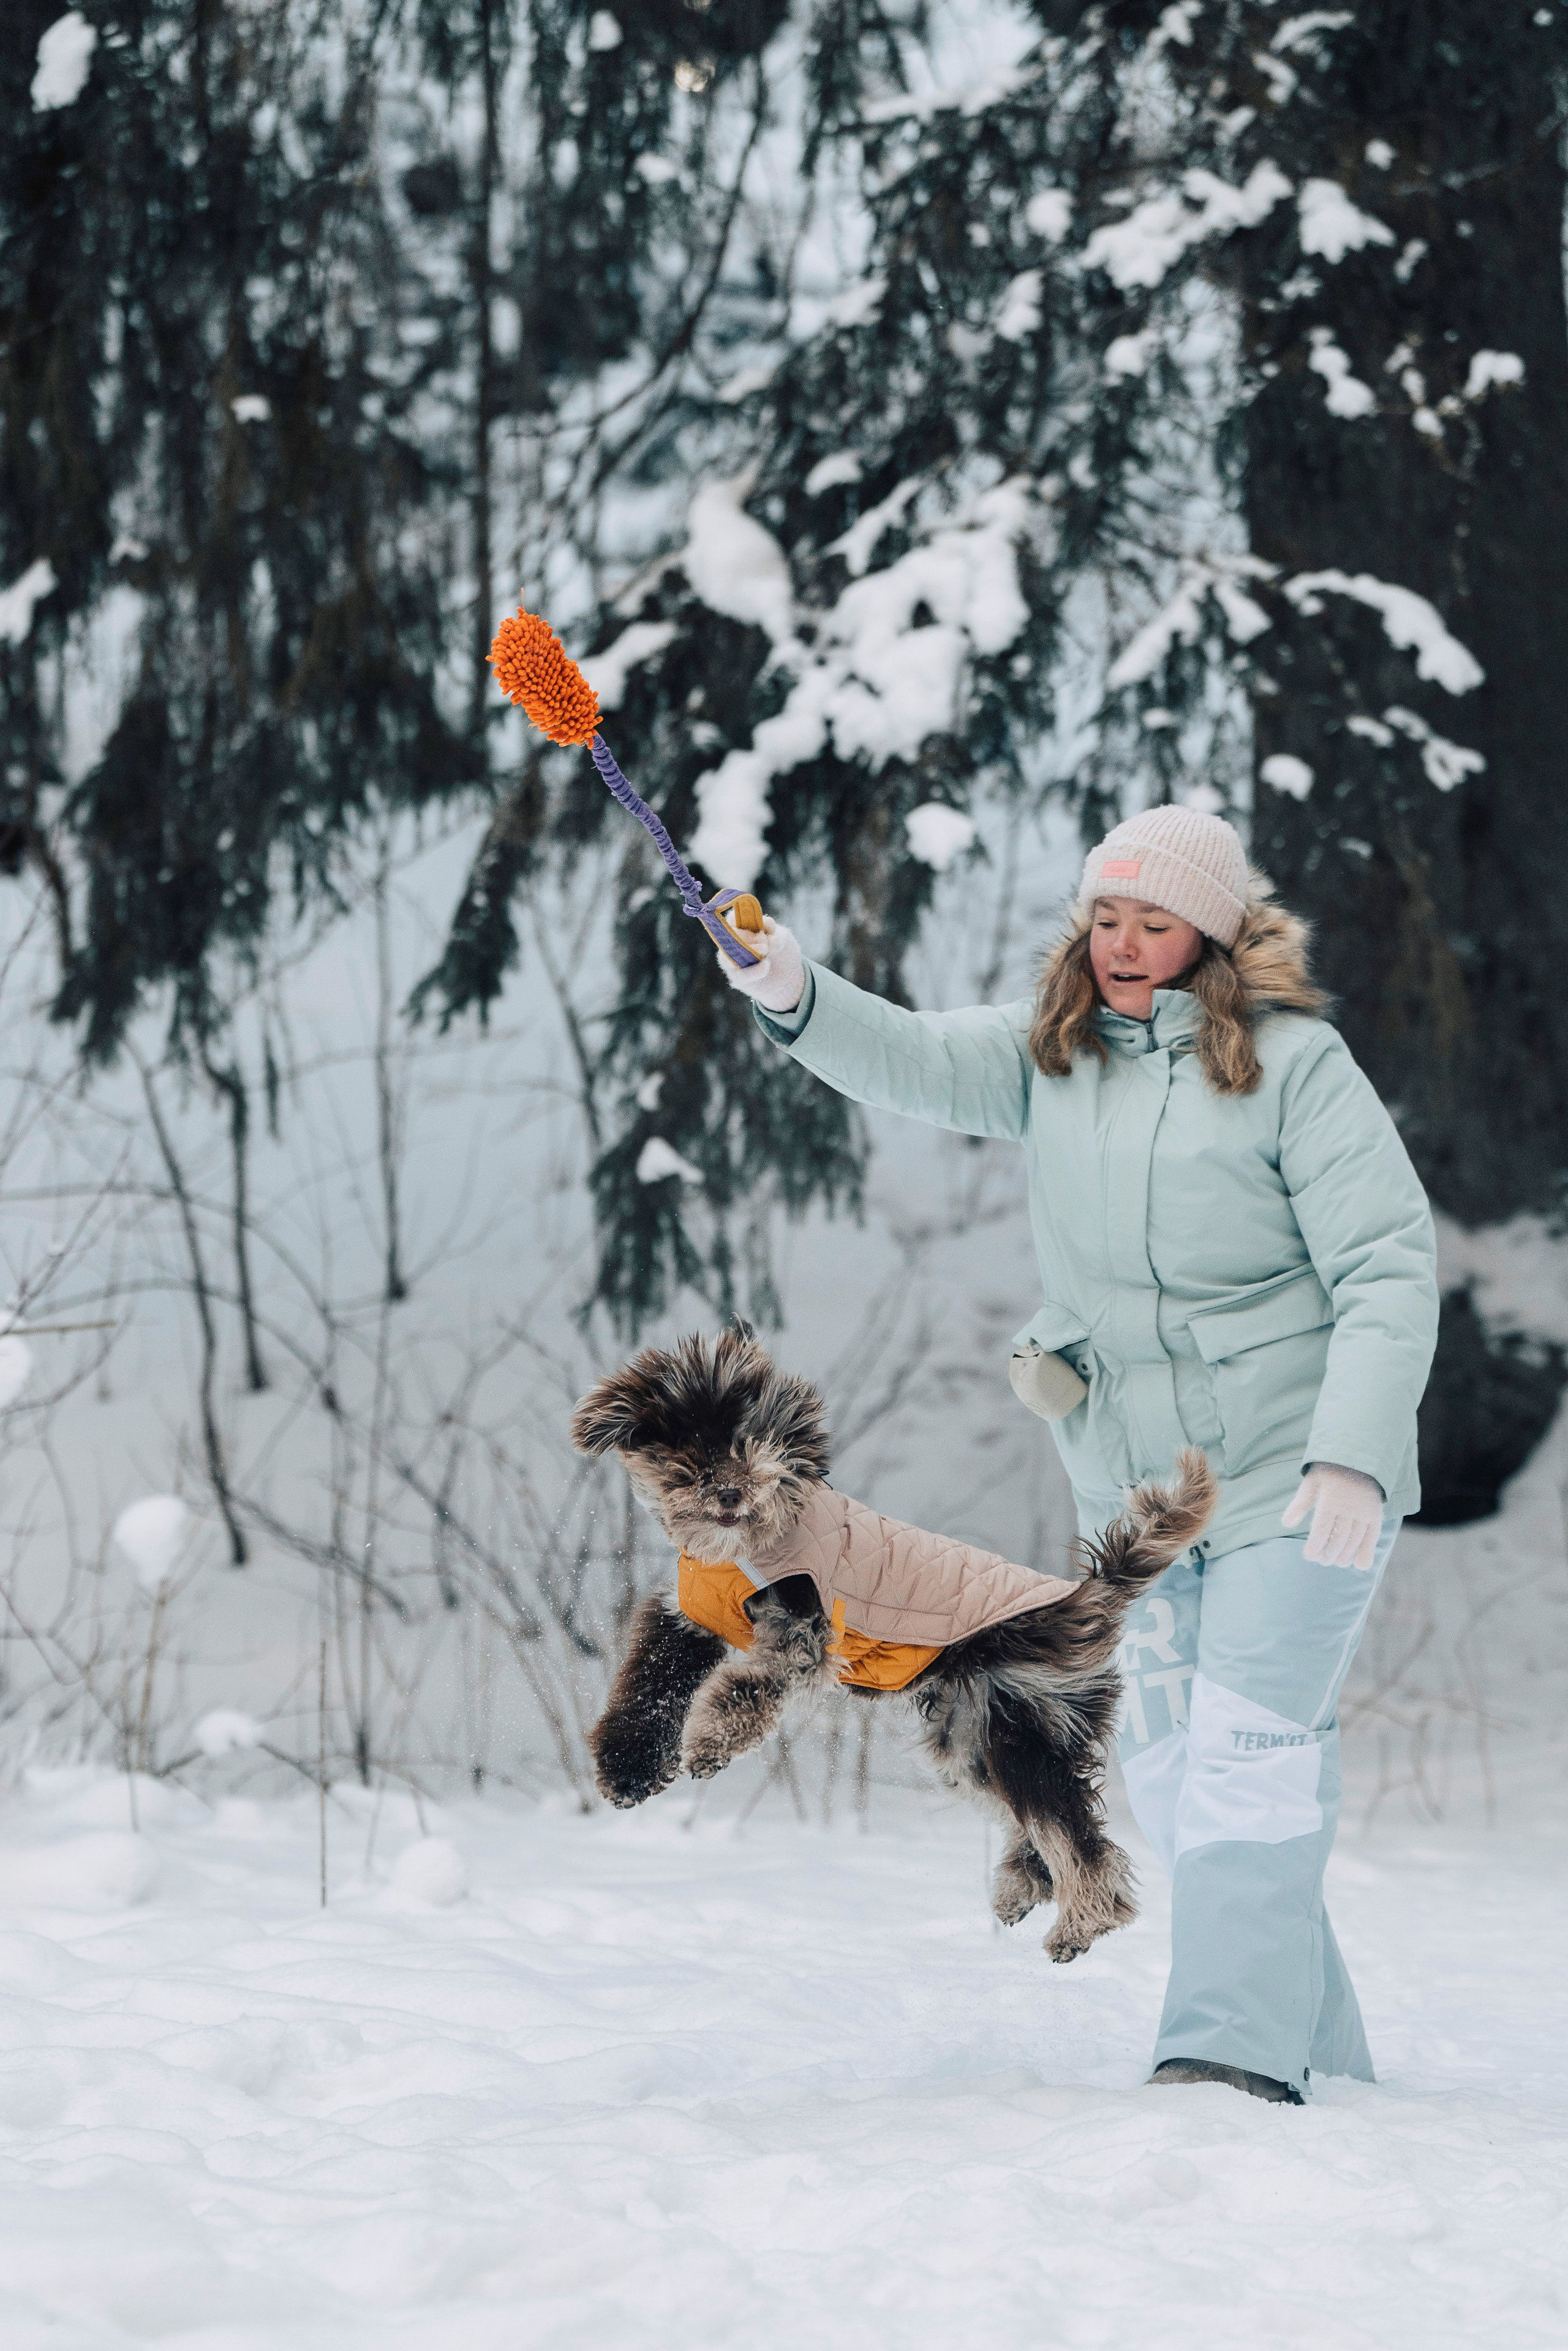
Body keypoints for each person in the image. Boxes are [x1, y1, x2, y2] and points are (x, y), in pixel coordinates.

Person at [720, 803, 1438, 2105]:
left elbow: (1387, 1266)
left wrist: (1354, 1451)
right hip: (1139, 1497)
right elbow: (909, 1053)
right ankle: (1321, 2057)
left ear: (1211, 931)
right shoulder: (1052, 1052)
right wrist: (789, 986)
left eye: (1151, 920)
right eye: (1104, 916)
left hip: (1294, 1479)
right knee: (1171, 1773)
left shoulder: (1297, 1065)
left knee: (1249, 1755)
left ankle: (1225, 2055)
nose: (1119, 941)